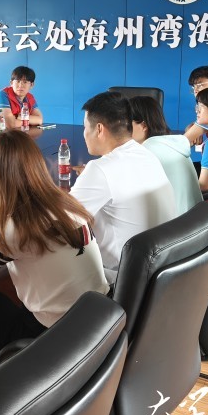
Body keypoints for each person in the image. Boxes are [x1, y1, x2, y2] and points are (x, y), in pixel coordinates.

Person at [0, 130, 108, 382]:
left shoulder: (15, 227)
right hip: (95, 324)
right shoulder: (65, 204)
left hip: (55, 338)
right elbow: (32, 248)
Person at [70, 92, 176, 283]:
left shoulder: (100, 169)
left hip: (122, 279)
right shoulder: (147, 155)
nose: (83, 133)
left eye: (85, 127)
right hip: (160, 273)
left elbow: (61, 220)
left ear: (99, 129)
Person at [128, 96, 202, 216]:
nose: (123, 130)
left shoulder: (146, 152)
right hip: (194, 220)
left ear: (143, 126)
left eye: (127, 124)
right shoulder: (171, 143)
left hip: (173, 224)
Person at [0, 66, 44, 136]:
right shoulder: (2, 95)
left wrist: (19, 118)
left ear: (31, 85)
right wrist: (27, 120)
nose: (20, 85)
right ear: (11, 83)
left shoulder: (29, 97)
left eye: (25, 82)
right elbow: (11, 124)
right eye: (18, 81)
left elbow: (39, 120)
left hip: (20, 136)